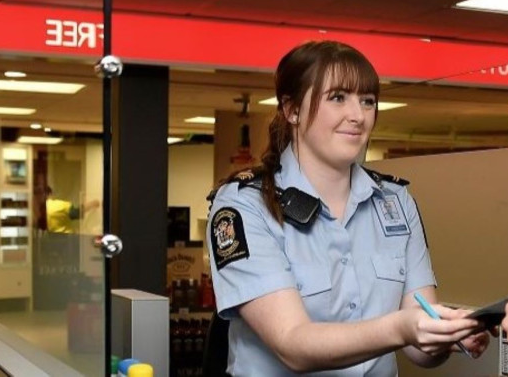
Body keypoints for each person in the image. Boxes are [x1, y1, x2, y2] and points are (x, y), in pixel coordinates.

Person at [206, 40, 489, 376]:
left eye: (367, 101)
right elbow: (293, 344)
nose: (358, 116)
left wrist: (444, 334)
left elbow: (418, 346)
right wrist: (401, 327)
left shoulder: (396, 202)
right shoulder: (244, 205)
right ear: (292, 110)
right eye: (338, 97)